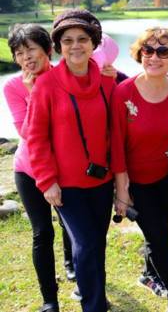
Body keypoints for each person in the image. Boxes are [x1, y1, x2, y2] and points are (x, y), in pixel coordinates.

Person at [26, 9, 115, 312]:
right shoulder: (46, 84)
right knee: (86, 243)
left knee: (97, 243)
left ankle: (96, 297)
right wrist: (46, 181)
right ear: (58, 46)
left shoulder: (107, 80)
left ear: (94, 43)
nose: (75, 45)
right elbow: (36, 137)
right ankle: (93, 306)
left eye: (82, 39)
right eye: (67, 40)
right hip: (66, 186)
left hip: (101, 180)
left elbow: (117, 127)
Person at [111, 27, 168, 312]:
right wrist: (122, 190)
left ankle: (148, 275)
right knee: (157, 236)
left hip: (167, 177)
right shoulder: (123, 92)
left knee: (157, 231)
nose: (154, 57)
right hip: (135, 181)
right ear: (140, 53)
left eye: (163, 51)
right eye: (148, 50)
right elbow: (116, 145)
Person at [4, 24, 75, 312]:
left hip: (67, 168)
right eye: (19, 53)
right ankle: (49, 300)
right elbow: (27, 132)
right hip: (29, 170)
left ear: (48, 50)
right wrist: (34, 93)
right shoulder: (12, 86)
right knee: (42, 233)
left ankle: (75, 270)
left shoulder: (66, 78)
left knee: (73, 227)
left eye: (31, 49)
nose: (26, 58)